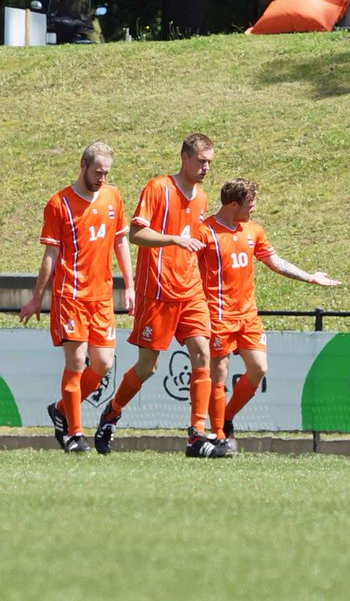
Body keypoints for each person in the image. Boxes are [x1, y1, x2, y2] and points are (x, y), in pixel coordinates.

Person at [94, 133, 221, 458]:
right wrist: (173, 239)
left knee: (202, 353)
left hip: (190, 290)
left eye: (209, 162)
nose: (206, 168)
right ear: (185, 158)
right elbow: (136, 234)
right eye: (201, 161)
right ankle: (112, 412)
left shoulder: (202, 197)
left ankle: (196, 435)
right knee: (147, 366)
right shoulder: (158, 188)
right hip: (159, 291)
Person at [196, 178, 340, 454]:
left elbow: (275, 262)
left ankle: (226, 417)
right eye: (250, 204)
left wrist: (310, 277)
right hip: (218, 315)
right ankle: (218, 434)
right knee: (219, 373)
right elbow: (187, 266)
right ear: (233, 204)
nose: (254, 209)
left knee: (259, 368)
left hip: (248, 316)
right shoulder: (205, 232)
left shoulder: (253, 230)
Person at [18, 142, 135, 453]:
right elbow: (50, 254)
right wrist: (37, 298)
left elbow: (120, 242)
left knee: (103, 363)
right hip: (70, 295)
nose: (102, 178)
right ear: (83, 166)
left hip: (101, 297)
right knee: (76, 361)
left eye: (106, 173)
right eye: (97, 172)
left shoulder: (113, 197)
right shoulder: (59, 203)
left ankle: (61, 410)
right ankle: (75, 433)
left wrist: (130, 285)